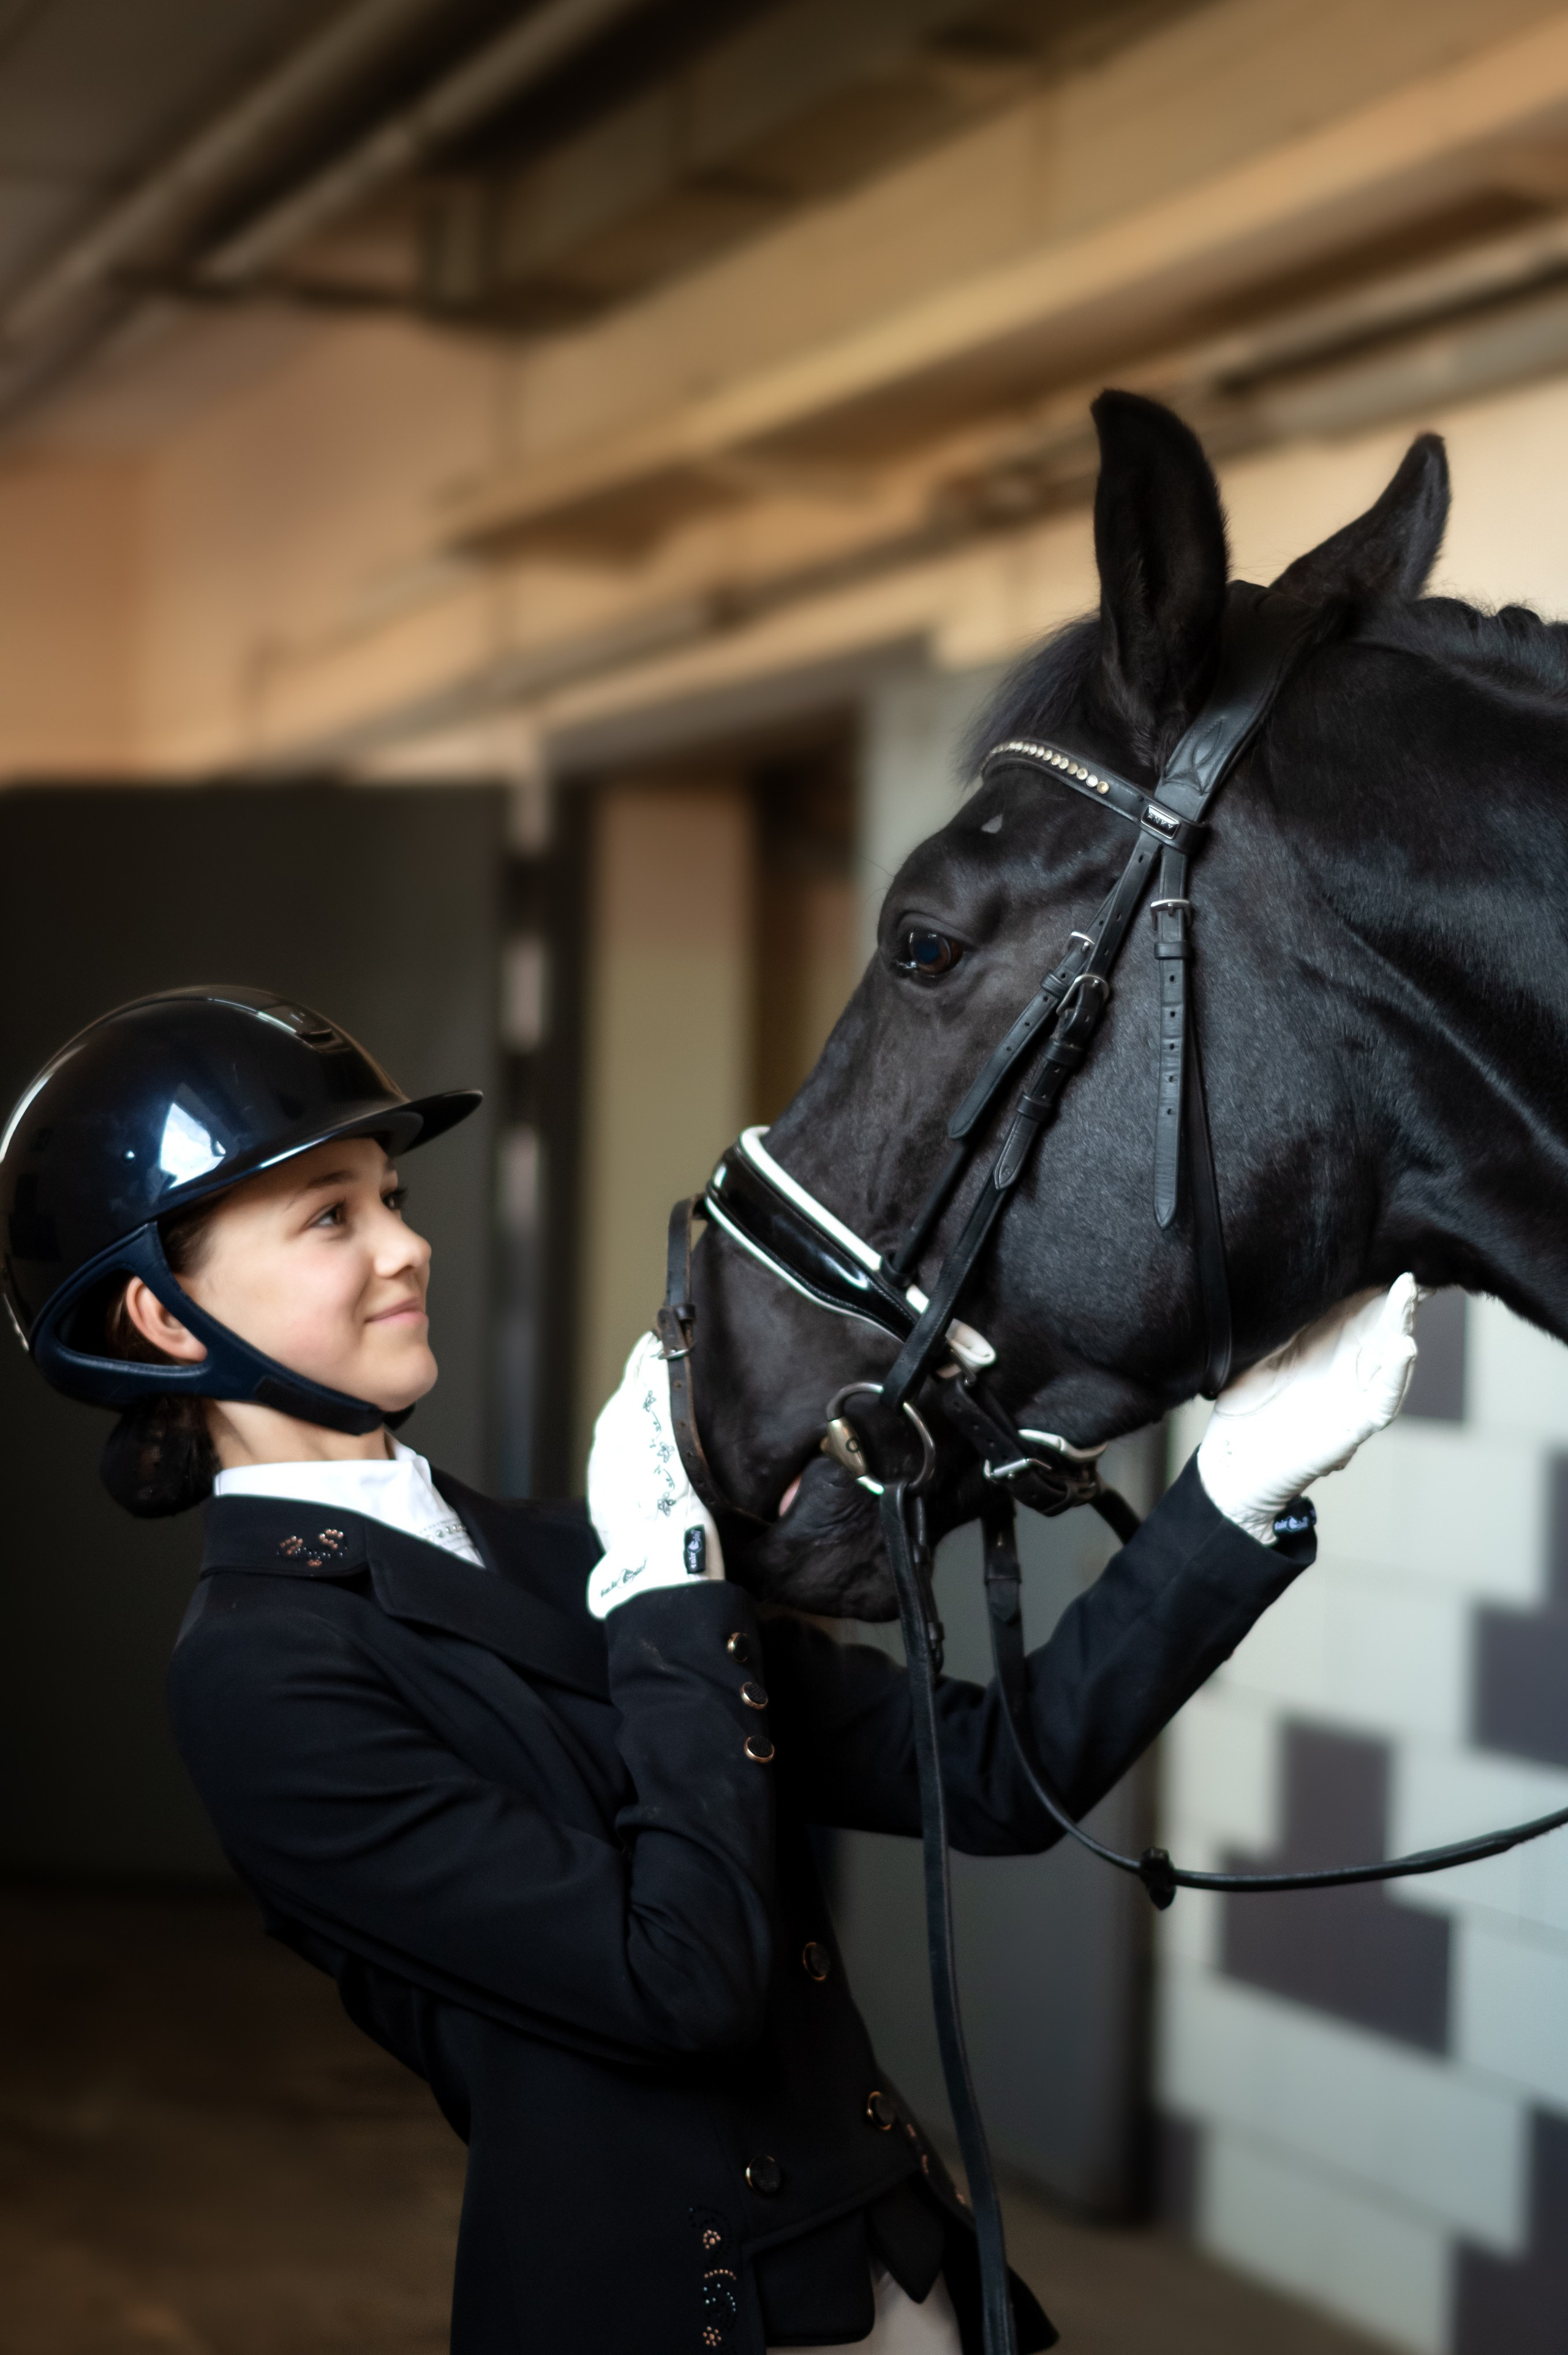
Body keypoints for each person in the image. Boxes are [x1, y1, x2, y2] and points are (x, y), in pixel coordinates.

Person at [0, 984, 1420, 2355]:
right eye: (330, 1217)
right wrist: (674, 1595)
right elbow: (680, 1979)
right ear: (167, 1321)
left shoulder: (574, 1548)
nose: (403, 1248)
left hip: (909, 2282)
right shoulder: (259, 1677)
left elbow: (993, 1776)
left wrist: (1230, 1493)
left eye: (394, 1199)